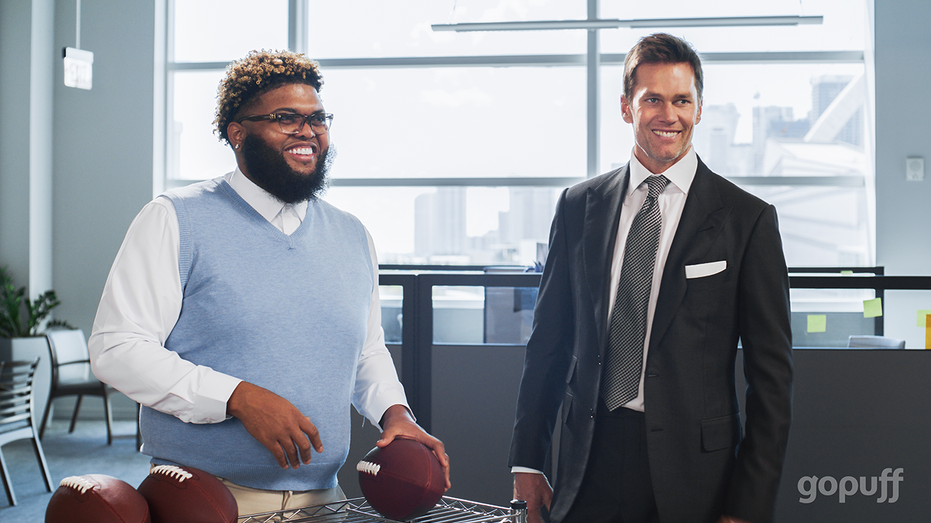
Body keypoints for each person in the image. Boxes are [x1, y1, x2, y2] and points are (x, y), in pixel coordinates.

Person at [88, 49, 449, 516]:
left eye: (318, 118)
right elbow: (117, 348)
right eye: (286, 117)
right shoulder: (176, 219)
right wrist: (237, 398)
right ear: (236, 133)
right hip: (206, 503)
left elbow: (365, 350)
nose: (308, 131)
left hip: (325, 502)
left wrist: (394, 413)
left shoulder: (352, 234)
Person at [507, 33, 792, 523]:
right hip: (588, 464)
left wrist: (747, 505)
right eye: (653, 99)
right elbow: (548, 344)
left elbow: (771, 381)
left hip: (696, 479)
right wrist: (529, 460)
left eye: (682, 100)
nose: (669, 115)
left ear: (699, 108)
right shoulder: (579, 206)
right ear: (626, 107)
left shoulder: (747, 220)